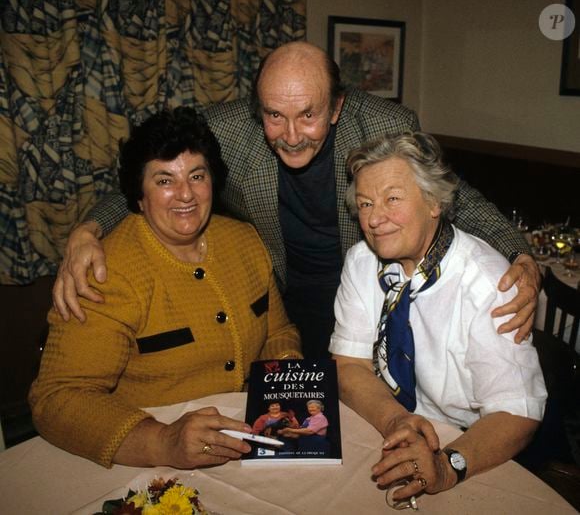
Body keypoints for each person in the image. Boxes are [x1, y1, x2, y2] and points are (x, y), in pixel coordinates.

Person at [52, 42, 540, 358]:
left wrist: (518, 250)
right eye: (273, 116)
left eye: (307, 115)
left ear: (337, 107)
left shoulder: (384, 126)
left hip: (370, 291)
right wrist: (88, 230)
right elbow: (149, 175)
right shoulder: (227, 131)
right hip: (286, 301)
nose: (289, 136)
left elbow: (454, 195)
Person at [29, 107, 302, 469]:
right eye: (164, 180)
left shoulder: (245, 240)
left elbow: (277, 331)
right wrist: (161, 442)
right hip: (144, 461)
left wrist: (285, 376)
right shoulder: (104, 272)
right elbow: (56, 398)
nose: (185, 194)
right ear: (139, 196)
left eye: (197, 175)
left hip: (244, 441)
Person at [330, 132, 547, 501]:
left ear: (433, 202)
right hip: (389, 426)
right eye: (365, 204)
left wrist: (448, 467)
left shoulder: (487, 281)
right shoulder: (361, 262)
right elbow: (349, 364)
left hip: (474, 446)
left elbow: (517, 412)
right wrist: (395, 420)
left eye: (392, 199)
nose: (375, 218)